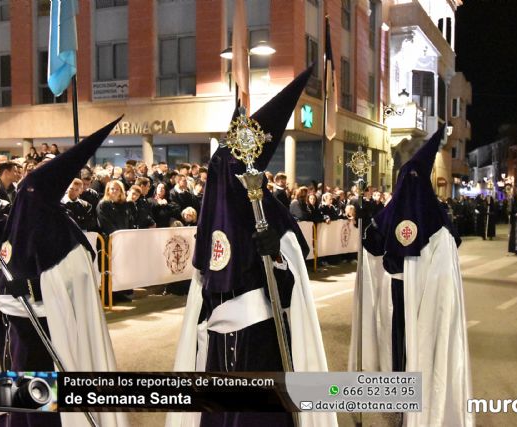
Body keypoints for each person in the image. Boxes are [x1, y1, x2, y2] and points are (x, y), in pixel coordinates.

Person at [167, 67, 335, 427]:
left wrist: (276, 255)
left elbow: (292, 291)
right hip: (216, 343)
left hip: (260, 341)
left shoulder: (270, 214)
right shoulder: (212, 218)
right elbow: (202, 283)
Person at [0, 119, 127, 427]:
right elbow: (5, 240)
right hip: (14, 327)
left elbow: (72, 280)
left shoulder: (63, 233)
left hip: (46, 330)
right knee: (15, 392)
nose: (23, 198)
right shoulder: (27, 214)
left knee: (40, 398)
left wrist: (30, 286)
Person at [353, 127, 472, 426]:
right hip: (400, 301)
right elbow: (371, 251)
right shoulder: (436, 222)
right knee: (401, 352)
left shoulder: (416, 221)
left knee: (413, 352)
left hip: (414, 303)